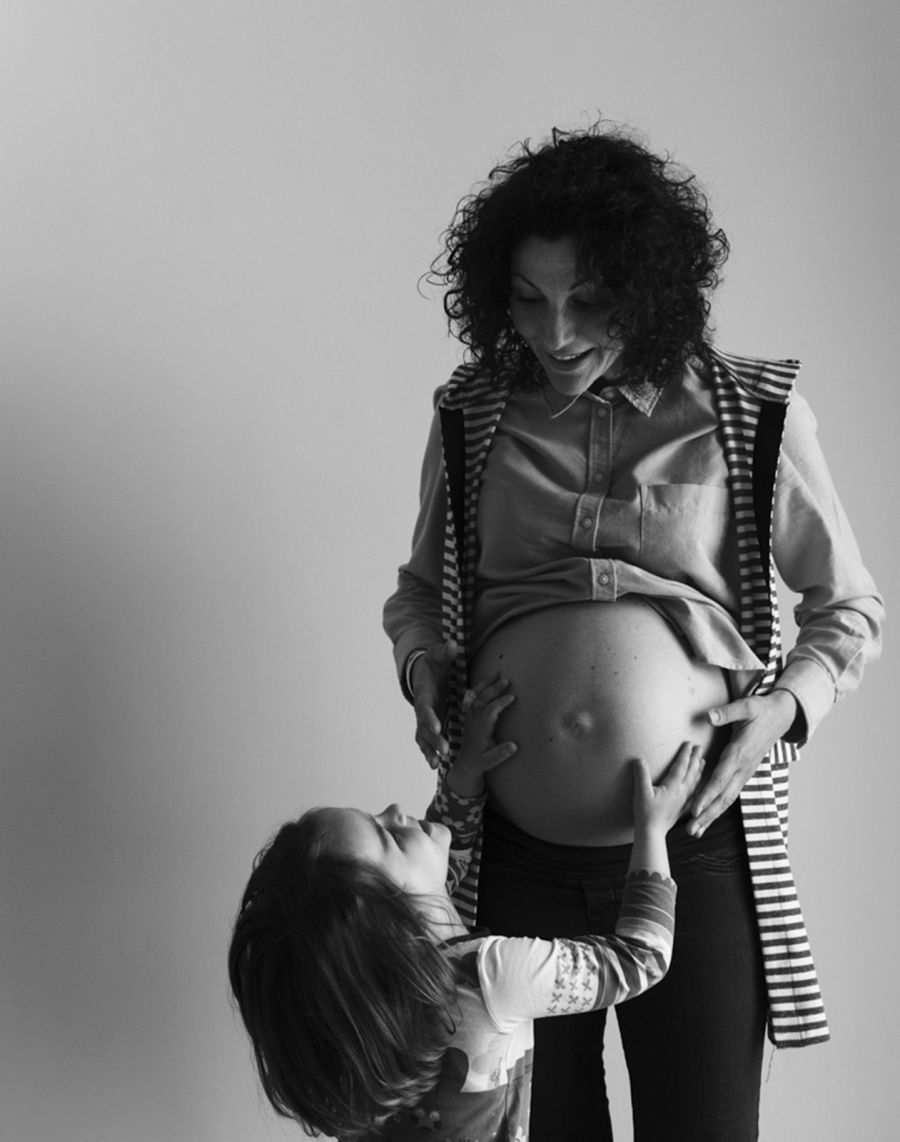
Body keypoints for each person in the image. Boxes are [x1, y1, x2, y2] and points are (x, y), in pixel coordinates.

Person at [383, 121, 884, 1140]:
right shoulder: (471, 414)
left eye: (589, 300)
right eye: (528, 299)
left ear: (649, 290)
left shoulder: (752, 412)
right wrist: (424, 668)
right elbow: (417, 595)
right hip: (512, 857)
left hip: (695, 846)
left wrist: (781, 711)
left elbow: (848, 608)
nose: (555, 331)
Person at [228, 674, 704, 1141]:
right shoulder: (491, 977)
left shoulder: (368, 1027)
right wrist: (652, 829)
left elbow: (439, 867)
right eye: (389, 835)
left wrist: (466, 773)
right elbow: (641, 959)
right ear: (391, 922)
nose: (395, 810)